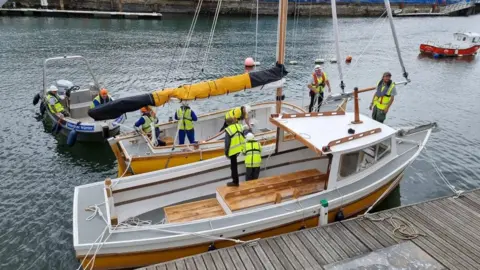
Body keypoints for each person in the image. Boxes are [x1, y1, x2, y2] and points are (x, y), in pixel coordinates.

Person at [224, 117, 245, 187]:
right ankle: (235, 180)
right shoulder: (239, 126)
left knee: (233, 166)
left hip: (233, 149)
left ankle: (235, 182)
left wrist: (226, 153)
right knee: (233, 166)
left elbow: (227, 143)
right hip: (242, 147)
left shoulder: (228, 130)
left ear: (227, 123)